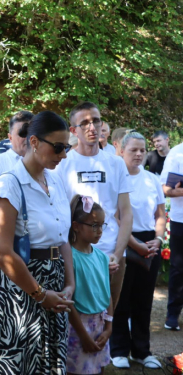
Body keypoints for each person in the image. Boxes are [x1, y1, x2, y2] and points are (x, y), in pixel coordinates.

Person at [0, 111, 75, 374]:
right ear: (34, 142)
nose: (64, 155)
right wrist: (39, 294)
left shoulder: (55, 180)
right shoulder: (10, 184)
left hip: (55, 285)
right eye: (58, 147)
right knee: (18, 363)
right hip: (21, 288)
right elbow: (1, 250)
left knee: (50, 361)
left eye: (66, 147)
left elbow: (62, 239)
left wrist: (70, 284)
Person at [54, 101, 133, 311]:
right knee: (75, 315)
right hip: (75, 255)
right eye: (85, 123)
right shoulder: (62, 163)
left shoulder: (116, 164)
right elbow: (58, 214)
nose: (92, 127)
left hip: (111, 254)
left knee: (108, 315)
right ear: (73, 131)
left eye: (96, 121)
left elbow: (126, 213)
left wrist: (117, 253)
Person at [110, 132, 165, 369]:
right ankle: (119, 349)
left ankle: (142, 351)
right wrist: (134, 244)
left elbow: (160, 214)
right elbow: (116, 216)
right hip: (124, 241)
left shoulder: (152, 179)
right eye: (133, 150)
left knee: (144, 299)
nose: (139, 154)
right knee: (121, 298)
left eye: (142, 150)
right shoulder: (115, 178)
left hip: (150, 243)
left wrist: (159, 238)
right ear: (121, 150)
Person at [66, 195, 112, 375]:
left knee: (97, 370)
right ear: (76, 226)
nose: (99, 230)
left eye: (102, 225)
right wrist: (83, 336)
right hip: (77, 327)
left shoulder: (101, 257)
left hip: (99, 325)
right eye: (94, 225)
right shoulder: (69, 257)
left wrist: (109, 327)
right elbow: (69, 303)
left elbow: (107, 294)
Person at [0, 110, 33, 217]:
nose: (27, 137)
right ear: (10, 137)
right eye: (22, 133)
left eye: (31, 132)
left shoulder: (46, 164)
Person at [160, 140, 183, 331]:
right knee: (178, 268)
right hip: (181, 219)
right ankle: (173, 314)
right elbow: (165, 189)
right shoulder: (176, 153)